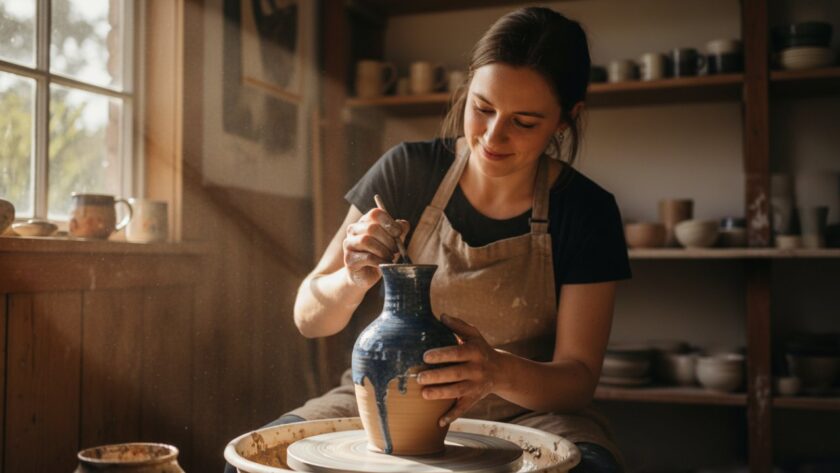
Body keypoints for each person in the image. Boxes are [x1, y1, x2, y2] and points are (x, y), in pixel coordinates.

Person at [225, 6, 631, 473]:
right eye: (482, 108)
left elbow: (577, 380)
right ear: (467, 89)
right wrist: (351, 280)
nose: (493, 136)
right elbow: (308, 317)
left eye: (524, 121)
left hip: (530, 412)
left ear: (565, 119)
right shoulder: (408, 172)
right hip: (380, 400)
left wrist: (497, 370)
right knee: (249, 465)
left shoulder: (585, 209)